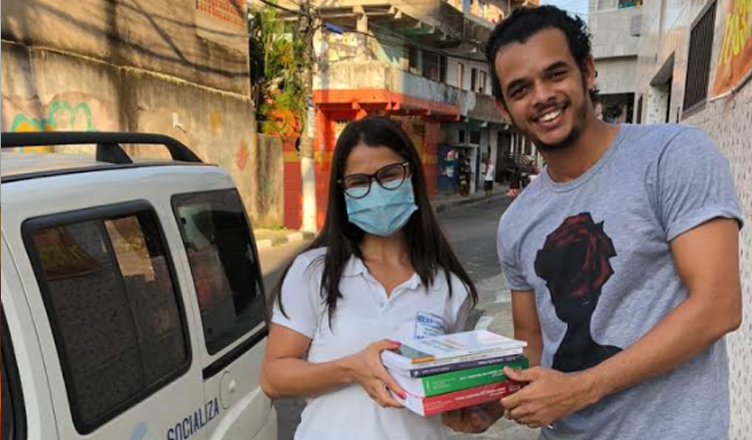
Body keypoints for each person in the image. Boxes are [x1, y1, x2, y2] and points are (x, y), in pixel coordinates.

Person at [450, 6, 744, 439]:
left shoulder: (672, 156)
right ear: (503, 107)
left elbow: (718, 307)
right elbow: (533, 343)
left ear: (587, 71)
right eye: (520, 89)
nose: (542, 96)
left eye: (555, 74)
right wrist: (492, 402)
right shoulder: (516, 222)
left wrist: (582, 389)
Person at [260, 116, 481, 440]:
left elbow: (441, 391)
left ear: (411, 176)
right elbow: (273, 377)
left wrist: (466, 411)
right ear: (343, 191)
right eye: (359, 182)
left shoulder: (450, 288)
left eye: (389, 175)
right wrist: (351, 368)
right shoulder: (315, 272)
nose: (376, 190)